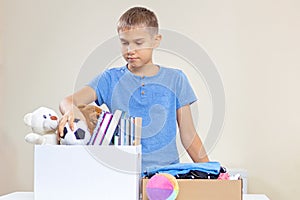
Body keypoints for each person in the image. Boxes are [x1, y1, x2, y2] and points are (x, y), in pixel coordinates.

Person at [58, 6, 209, 171]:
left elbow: (189, 136)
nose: (130, 50)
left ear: (156, 40)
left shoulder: (176, 79)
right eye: (124, 43)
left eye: (138, 43)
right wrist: (71, 110)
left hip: (165, 177)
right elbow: (68, 101)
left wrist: (213, 173)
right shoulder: (109, 79)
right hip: (122, 174)